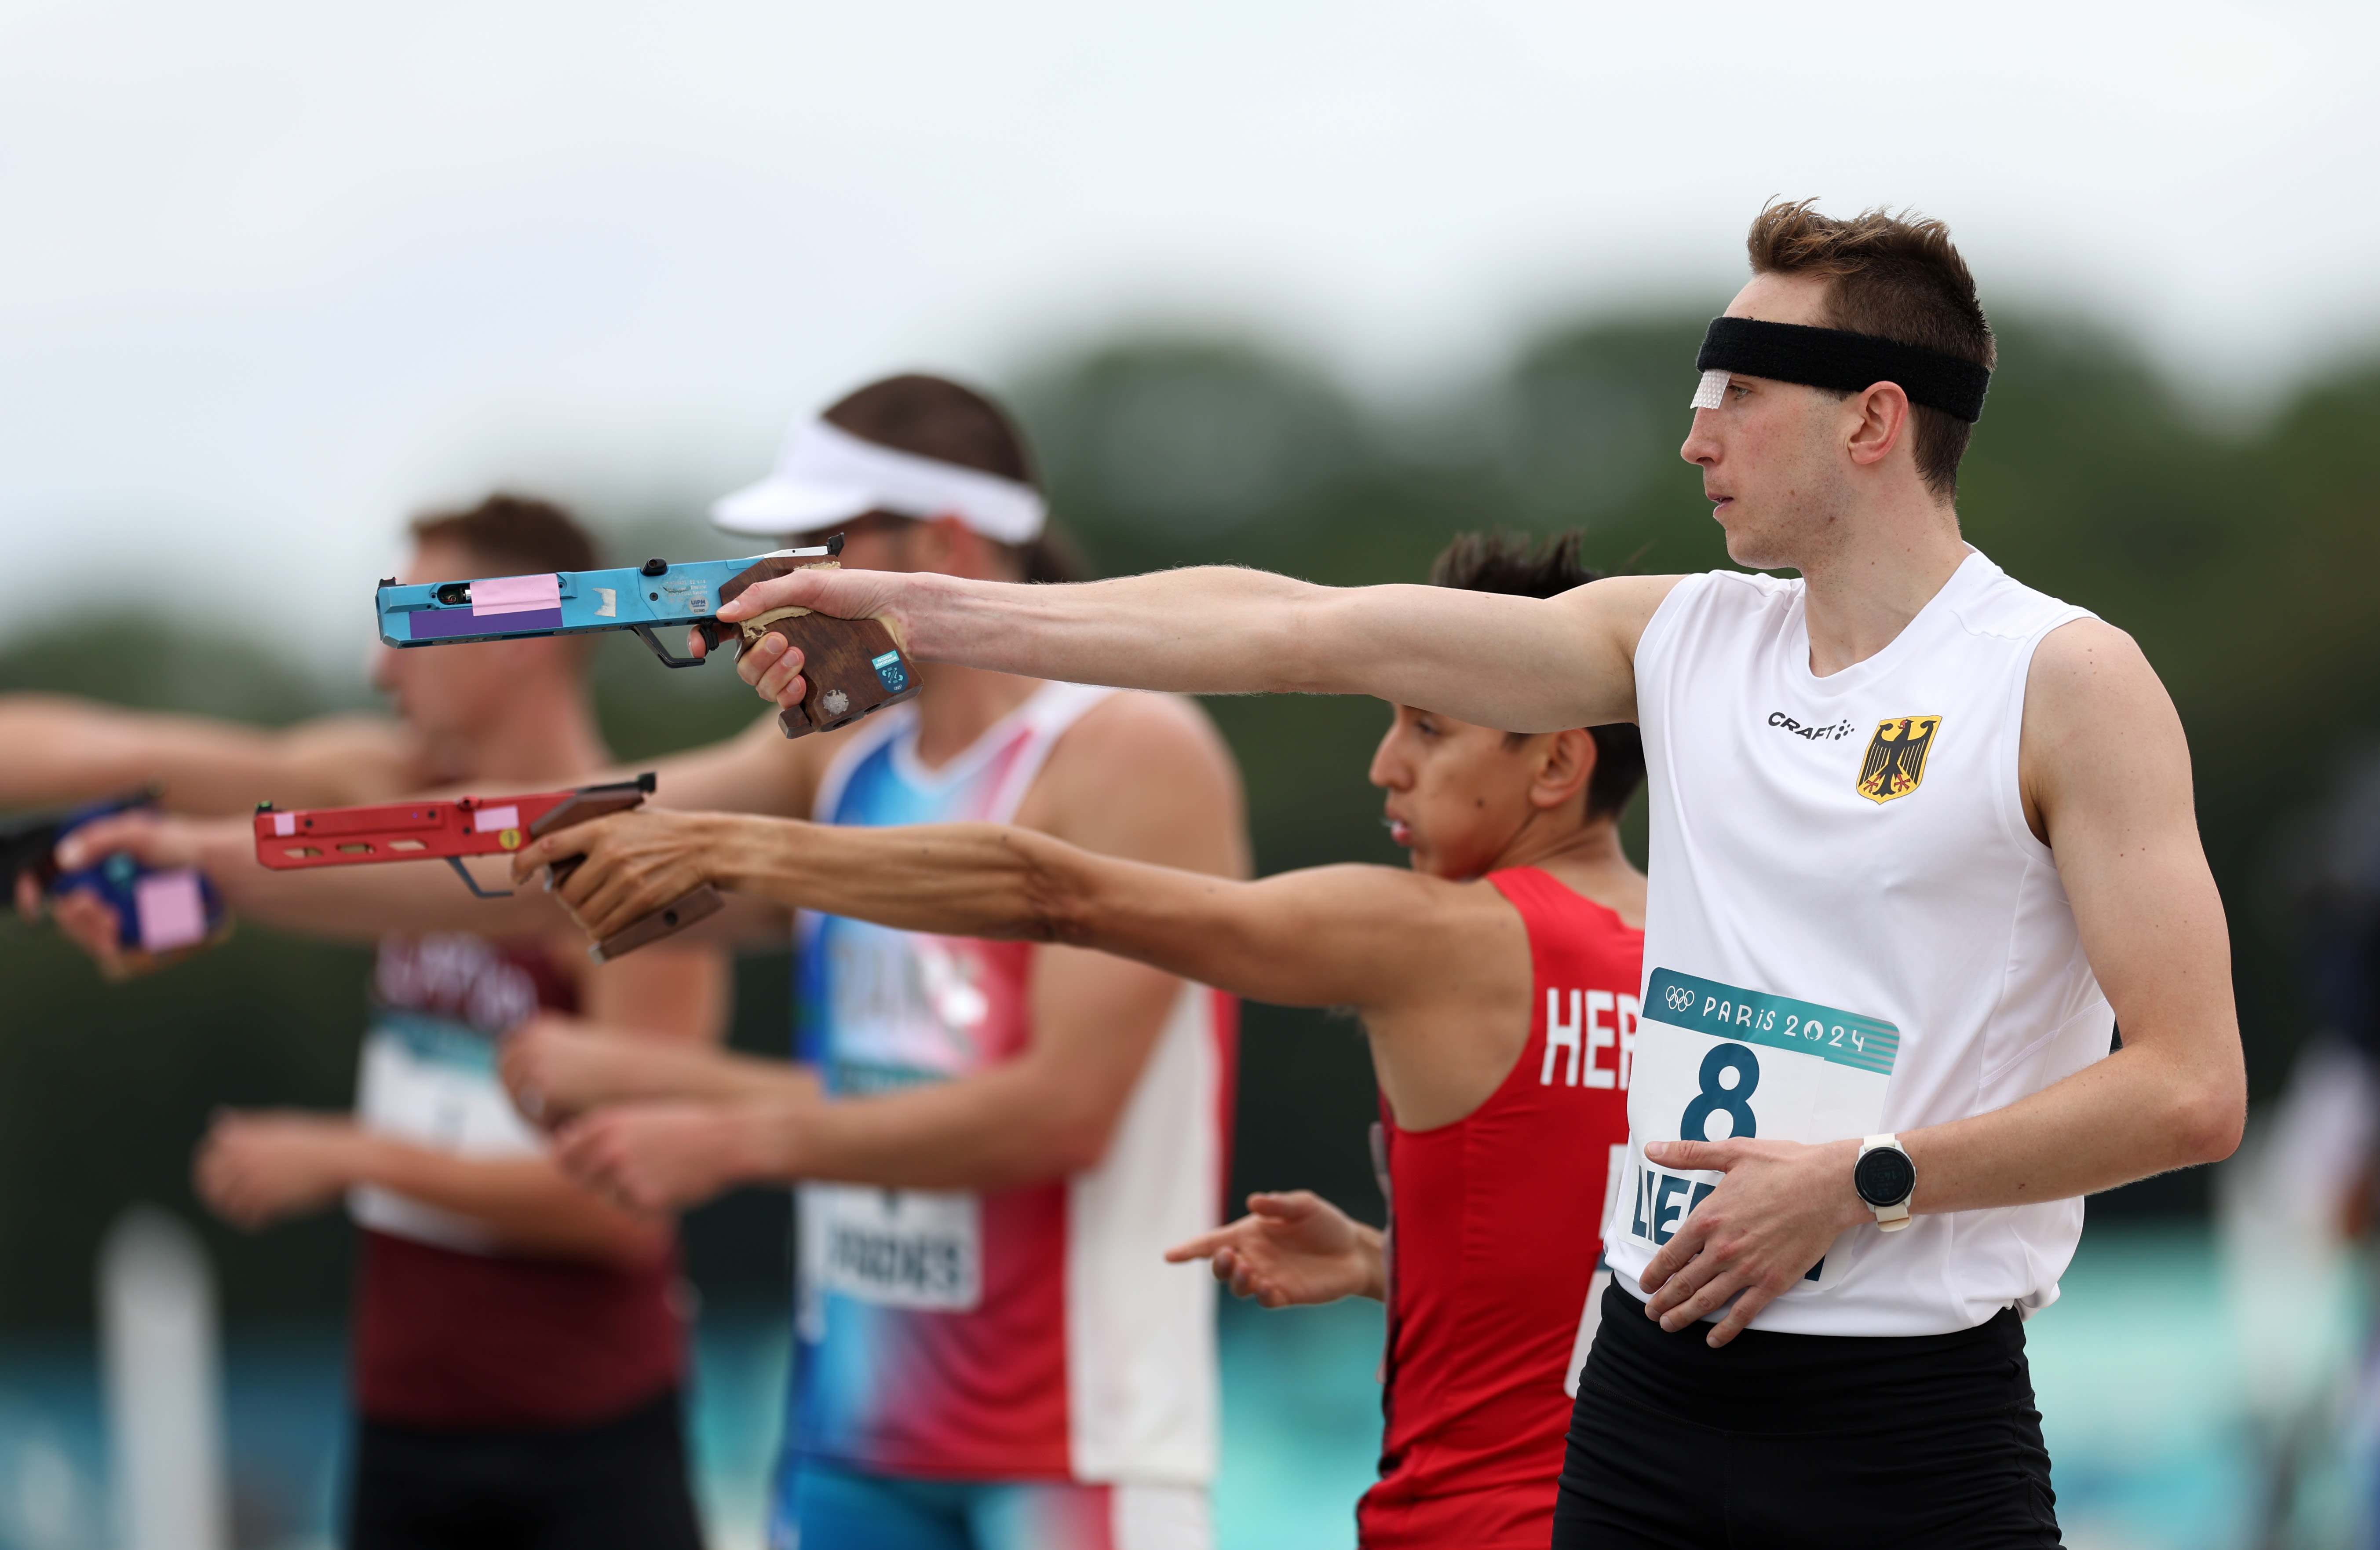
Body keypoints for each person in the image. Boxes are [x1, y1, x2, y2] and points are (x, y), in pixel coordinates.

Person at [690, 203, 2249, 1547]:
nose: (1695, 435)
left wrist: (1863, 1178)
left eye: (1740, 392)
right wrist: (907, 604)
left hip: (1907, 1413)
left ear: (1872, 420)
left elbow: (2191, 1091)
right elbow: (1293, 628)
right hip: (1646, 1388)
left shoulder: (2062, 678)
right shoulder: (1678, 636)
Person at [64, 376, 1249, 1550]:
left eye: (815, 546)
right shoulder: (836, 762)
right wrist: (213, 863)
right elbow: (530, 837)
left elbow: (1055, 1118)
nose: (783, 584)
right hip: (853, 1444)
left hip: (1074, 1444)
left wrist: (723, 1128)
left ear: (937, 538)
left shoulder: (1127, 748)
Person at [504, 529, 1647, 1549]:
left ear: (1556, 763)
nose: (1383, 765)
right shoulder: (1699, 957)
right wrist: (1383, 1267)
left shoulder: (1441, 935)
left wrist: (725, 847)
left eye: (1427, 727)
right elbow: (1635, 1284)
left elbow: (1049, 890)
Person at [14, 496, 723, 1550]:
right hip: (401, 1427)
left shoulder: (637, 855)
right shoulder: (383, 790)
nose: (381, 665)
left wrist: (357, 1159)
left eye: (413, 625)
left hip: (585, 1439)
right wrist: (162, 912)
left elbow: (624, 1206)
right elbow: (111, 766)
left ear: (526, 634)